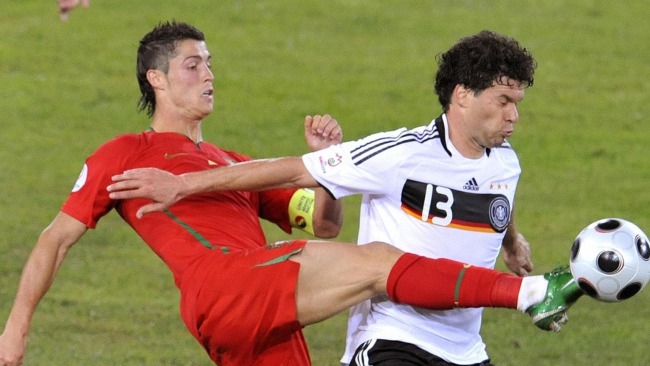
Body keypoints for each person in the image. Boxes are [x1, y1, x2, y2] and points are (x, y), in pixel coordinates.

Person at [0, 22, 580, 366]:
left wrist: (329, 177)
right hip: (224, 286)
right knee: (381, 263)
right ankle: (530, 292)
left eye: (211, 63)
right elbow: (56, 239)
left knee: (368, 263)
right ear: (155, 78)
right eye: (192, 64)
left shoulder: (233, 164)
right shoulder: (125, 152)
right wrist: (16, 327)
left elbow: (322, 229)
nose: (208, 74)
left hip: (264, 300)